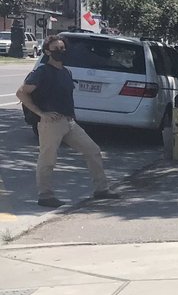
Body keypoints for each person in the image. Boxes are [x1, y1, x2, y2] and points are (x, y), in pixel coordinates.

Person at [16, 34, 119, 208]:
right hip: (51, 123)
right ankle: (45, 196)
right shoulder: (41, 71)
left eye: (63, 48)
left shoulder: (66, 72)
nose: (60, 51)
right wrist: (41, 113)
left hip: (69, 122)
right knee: (48, 159)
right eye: (56, 49)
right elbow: (21, 93)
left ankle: (102, 190)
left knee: (93, 150)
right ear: (47, 51)